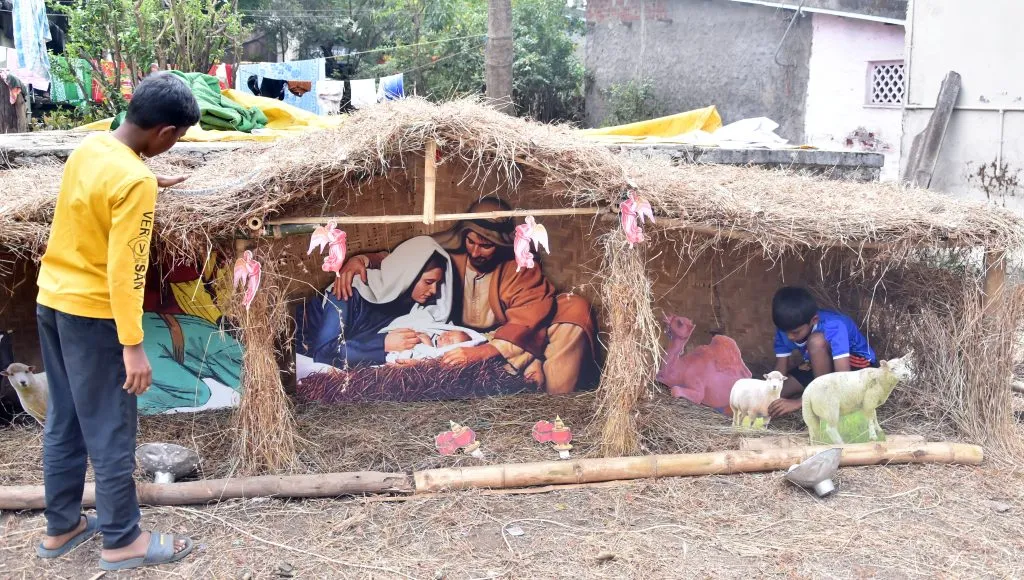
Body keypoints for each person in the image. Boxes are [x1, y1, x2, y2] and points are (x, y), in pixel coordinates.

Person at [34, 73, 200, 571]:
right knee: (110, 428)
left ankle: (61, 527)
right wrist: (132, 344)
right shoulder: (135, 180)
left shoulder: (92, 149)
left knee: (64, 419)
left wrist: (148, 181)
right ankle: (123, 540)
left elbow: (100, 199)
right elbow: (126, 272)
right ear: (166, 133)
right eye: (178, 141)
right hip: (94, 317)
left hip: (52, 301)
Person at [334, 197, 596, 394]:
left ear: (503, 244)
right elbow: (405, 258)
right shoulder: (450, 254)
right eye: (471, 242)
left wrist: (480, 354)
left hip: (501, 338)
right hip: (453, 335)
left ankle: (557, 405)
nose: (476, 252)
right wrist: (363, 259)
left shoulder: (519, 267)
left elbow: (527, 319)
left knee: (573, 311)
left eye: (486, 245)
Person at [295, 236, 454, 368]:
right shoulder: (348, 292)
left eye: (438, 283)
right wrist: (383, 344)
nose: (434, 291)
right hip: (305, 346)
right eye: (428, 282)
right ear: (408, 275)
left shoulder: (412, 302)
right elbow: (324, 352)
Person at [767, 287, 878, 418]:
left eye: (795, 332)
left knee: (816, 341)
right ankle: (820, 392)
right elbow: (780, 371)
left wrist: (799, 402)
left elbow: (844, 378)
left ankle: (824, 401)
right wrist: (767, 394)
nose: (790, 337)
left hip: (857, 367)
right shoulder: (786, 329)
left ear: (813, 320)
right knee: (776, 394)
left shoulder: (835, 325)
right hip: (822, 368)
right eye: (785, 332)